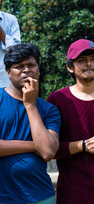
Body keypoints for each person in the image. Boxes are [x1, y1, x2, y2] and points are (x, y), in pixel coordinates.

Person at [0, 43, 61, 204]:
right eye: (19, 66)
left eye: (31, 65)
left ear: (38, 69)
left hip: (40, 195)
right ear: (8, 72)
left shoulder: (49, 109)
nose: (26, 70)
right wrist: (34, 146)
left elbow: (48, 152)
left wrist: (30, 105)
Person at [47, 39, 94, 204]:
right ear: (70, 67)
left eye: (93, 59)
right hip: (73, 192)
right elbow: (50, 150)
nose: (89, 64)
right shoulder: (57, 100)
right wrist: (83, 145)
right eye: (82, 60)